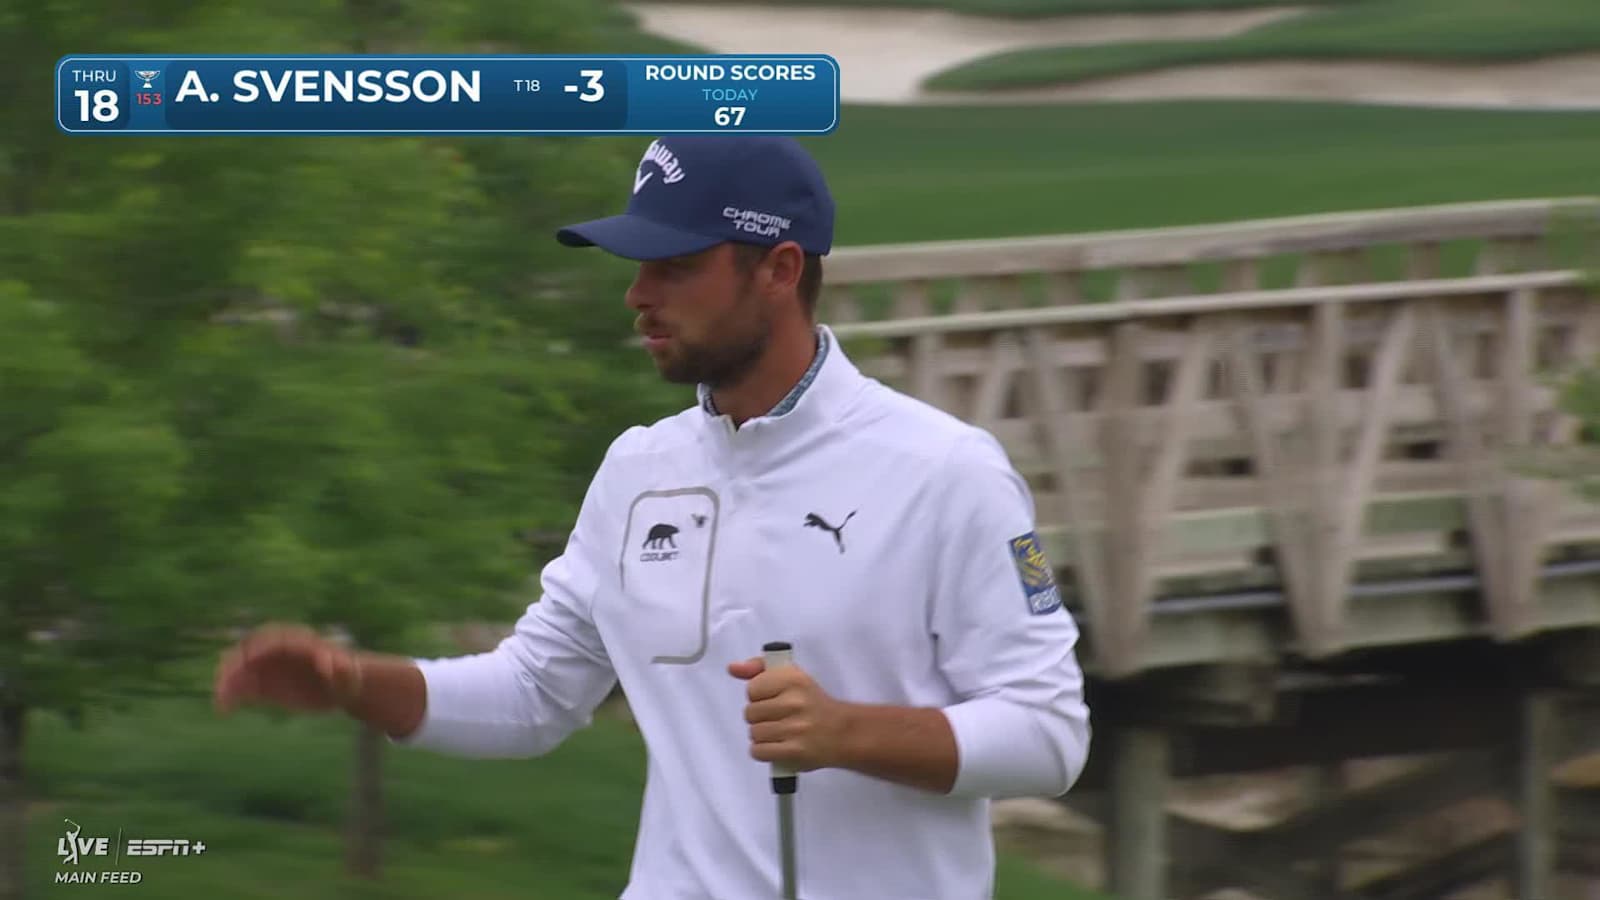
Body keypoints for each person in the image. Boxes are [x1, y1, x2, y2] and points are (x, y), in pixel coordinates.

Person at [213, 135, 1092, 900]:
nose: (638, 295)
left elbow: (1048, 735)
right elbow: (532, 695)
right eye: (636, 266)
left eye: (674, 266)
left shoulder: (946, 471)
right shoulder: (639, 469)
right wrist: (354, 683)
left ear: (780, 270)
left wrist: (844, 731)